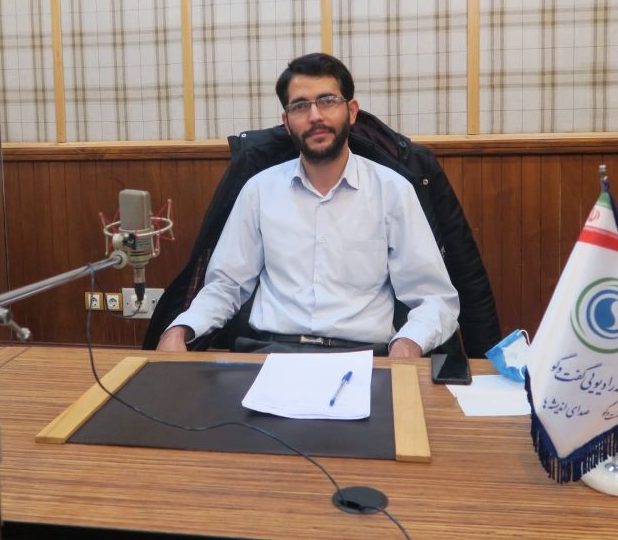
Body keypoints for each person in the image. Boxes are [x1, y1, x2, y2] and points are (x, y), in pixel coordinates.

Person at [157, 53, 459, 358]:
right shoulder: (259, 190)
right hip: (270, 353)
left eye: (327, 101)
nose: (315, 116)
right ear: (287, 123)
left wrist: (407, 344)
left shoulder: (392, 190)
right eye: (300, 106)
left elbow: (434, 298)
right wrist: (179, 329)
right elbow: (225, 286)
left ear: (351, 111)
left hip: (363, 356)